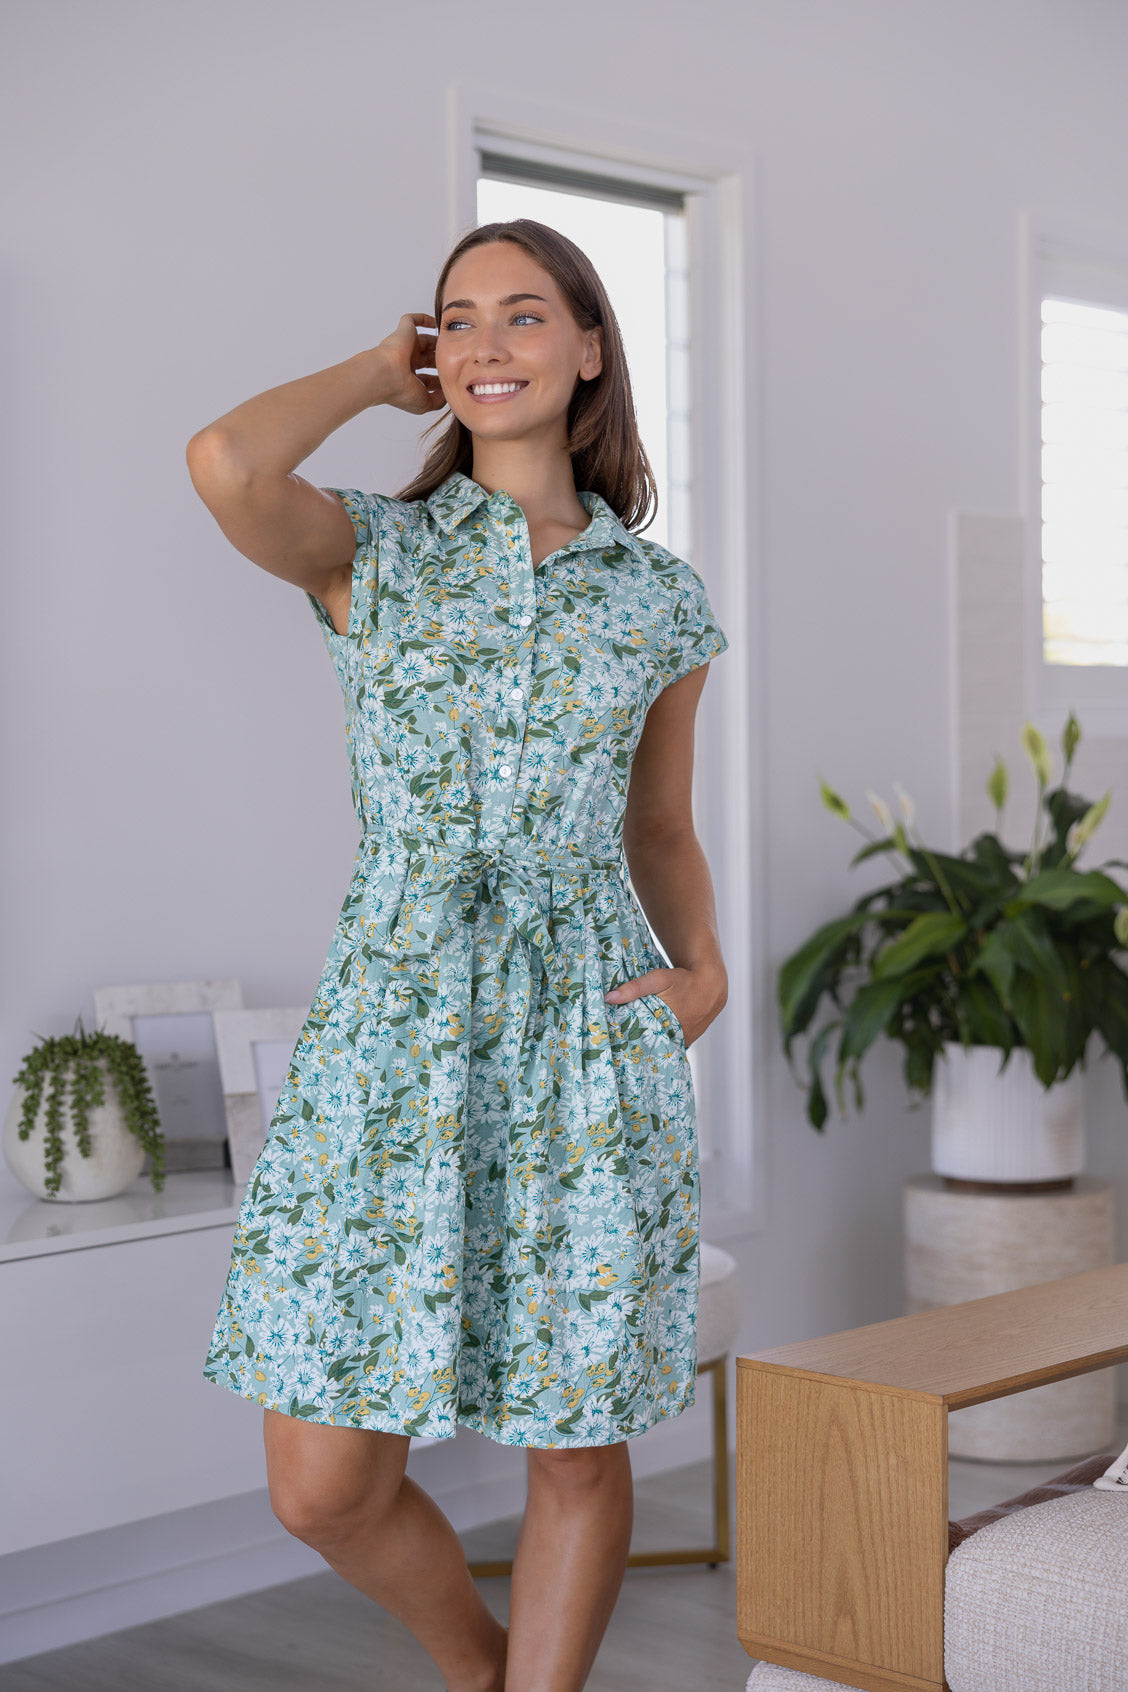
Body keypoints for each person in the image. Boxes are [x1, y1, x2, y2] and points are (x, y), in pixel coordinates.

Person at [187, 217, 730, 1692]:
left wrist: (704, 969)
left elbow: (662, 822)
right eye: (459, 320)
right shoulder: (377, 551)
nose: (489, 343)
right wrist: (376, 372)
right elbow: (227, 462)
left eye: (526, 315)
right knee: (323, 1484)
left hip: (583, 1026)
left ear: (591, 350)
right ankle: (480, 1667)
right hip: (390, 1025)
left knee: (574, 1443)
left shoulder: (658, 596)